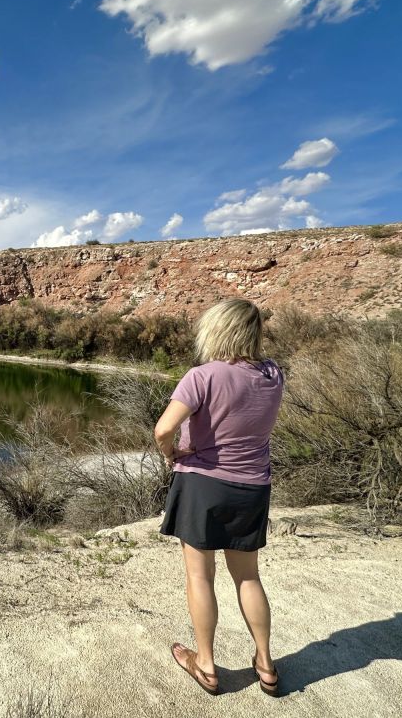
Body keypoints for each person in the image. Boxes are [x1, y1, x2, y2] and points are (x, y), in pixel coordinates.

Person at [153, 298, 284, 696]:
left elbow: (163, 430)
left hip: (203, 484)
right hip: (252, 487)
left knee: (199, 575)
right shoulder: (273, 374)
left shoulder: (202, 375)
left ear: (216, 329)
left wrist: (172, 453)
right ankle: (265, 663)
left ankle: (206, 665)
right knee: (248, 576)